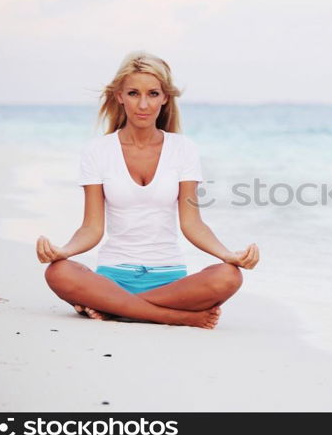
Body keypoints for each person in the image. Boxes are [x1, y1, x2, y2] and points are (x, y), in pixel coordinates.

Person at [36, 51, 259, 329]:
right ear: (119, 96)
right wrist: (64, 250)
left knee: (229, 276)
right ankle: (172, 316)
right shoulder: (98, 150)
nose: (143, 104)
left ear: (165, 97)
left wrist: (227, 255)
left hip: (169, 280)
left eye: (153, 94)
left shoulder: (183, 149)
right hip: (112, 277)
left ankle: (116, 308)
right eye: (133, 93)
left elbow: (192, 223)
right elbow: (92, 228)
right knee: (58, 272)